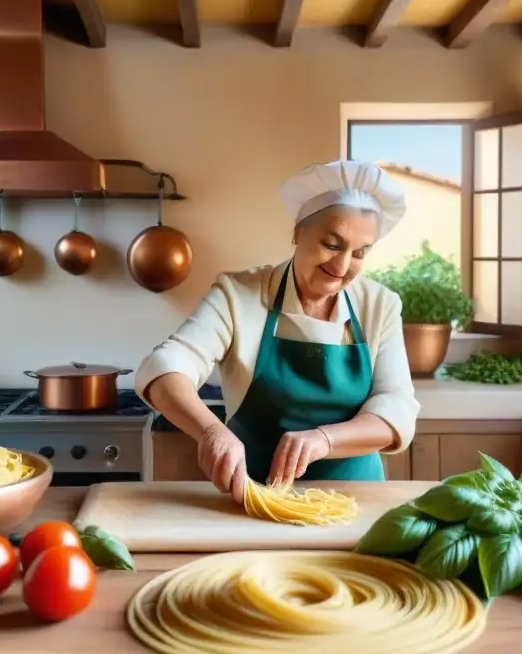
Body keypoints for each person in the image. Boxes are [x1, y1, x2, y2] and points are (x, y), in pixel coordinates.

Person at [135, 160, 421, 503]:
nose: (342, 266)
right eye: (332, 244)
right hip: (254, 496)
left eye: (359, 253)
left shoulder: (380, 305)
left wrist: (322, 439)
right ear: (298, 232)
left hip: (355, 498)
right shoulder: (237, 295)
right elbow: (167, 365)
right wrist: (211, 431)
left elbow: (396, 409)